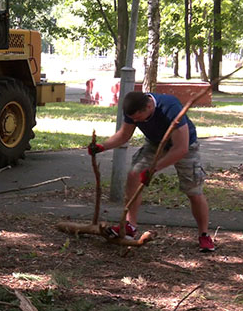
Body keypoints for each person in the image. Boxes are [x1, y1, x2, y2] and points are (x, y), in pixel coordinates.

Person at [89, 91, 215, 252]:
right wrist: (102, 147)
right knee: (133, 174)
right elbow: (124, 134)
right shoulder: (133, 108)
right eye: (132, 118)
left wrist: (153, 169)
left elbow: (180, 148)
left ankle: (204, 234)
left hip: (185, 147)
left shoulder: (170, 108)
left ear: (149, 106)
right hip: (155, 144)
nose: (134, 121)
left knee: (193, 191)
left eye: (137, 118)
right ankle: (130, 226)